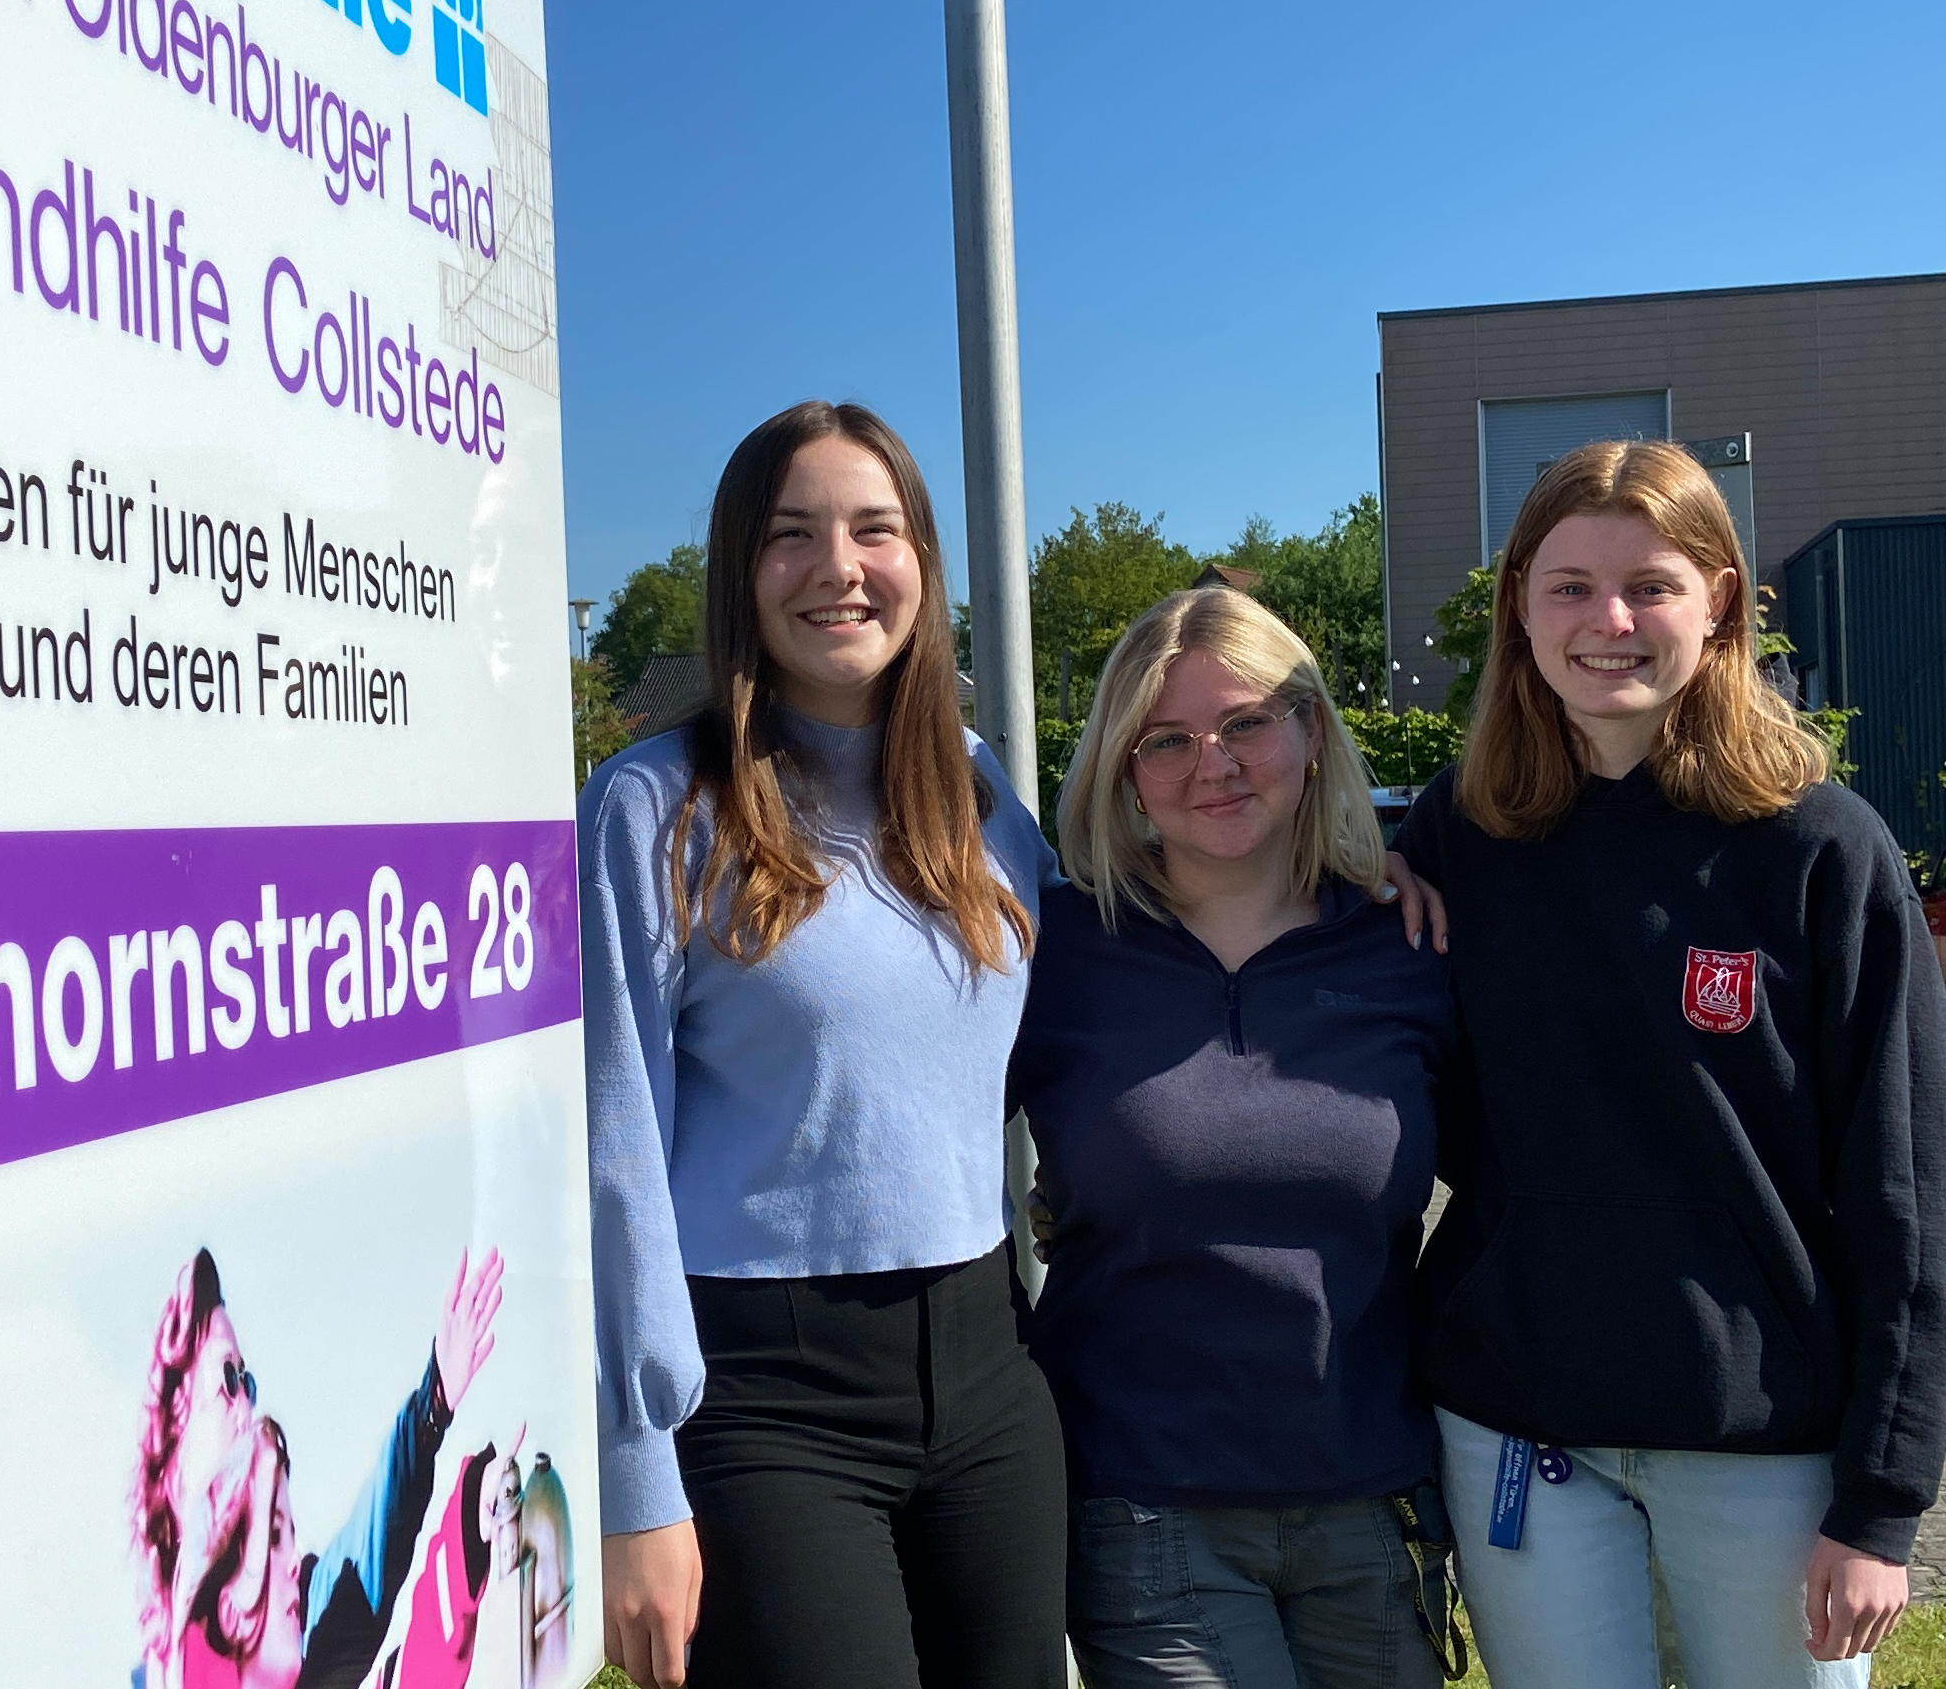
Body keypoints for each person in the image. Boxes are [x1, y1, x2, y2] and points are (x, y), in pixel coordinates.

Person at [1397, 439, 1946, 1689]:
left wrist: (1879, 1504)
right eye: (1569, 586)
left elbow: (1905, 1200)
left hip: (1761, 1450)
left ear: (1720, 602)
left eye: (1648, 584)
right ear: (1520, 611)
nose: (1610, 621)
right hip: (1524, 1433)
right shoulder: (1456, 835)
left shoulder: (1820, 849)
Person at [580, 400, 1069, 1689]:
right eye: (791, 533)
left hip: (987, 1362)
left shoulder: (979, 799)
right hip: (762, 1393)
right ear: (742, 572)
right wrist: (635, 1470)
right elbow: (610, 1144)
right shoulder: (654, 806)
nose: (838, 565)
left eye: (874, 527)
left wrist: (1361, 890)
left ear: (921, 563)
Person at [1012, 584, 1458, 1689]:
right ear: (1122, 770)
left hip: (1371, 1499)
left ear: (1309, 728)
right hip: (1145, 1502)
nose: (1212, 764)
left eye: (1246, 722)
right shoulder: (1050, 952)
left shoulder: (1408, 943)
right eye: (1165, 740)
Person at [134, 1241, 506, 1689]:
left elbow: (363, 1566)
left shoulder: (296, 1618)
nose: (247, 1406)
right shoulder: (159, 1667)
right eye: (228, 1381)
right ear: (173, 1454)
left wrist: (437, 1410)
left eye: (247, 1382)